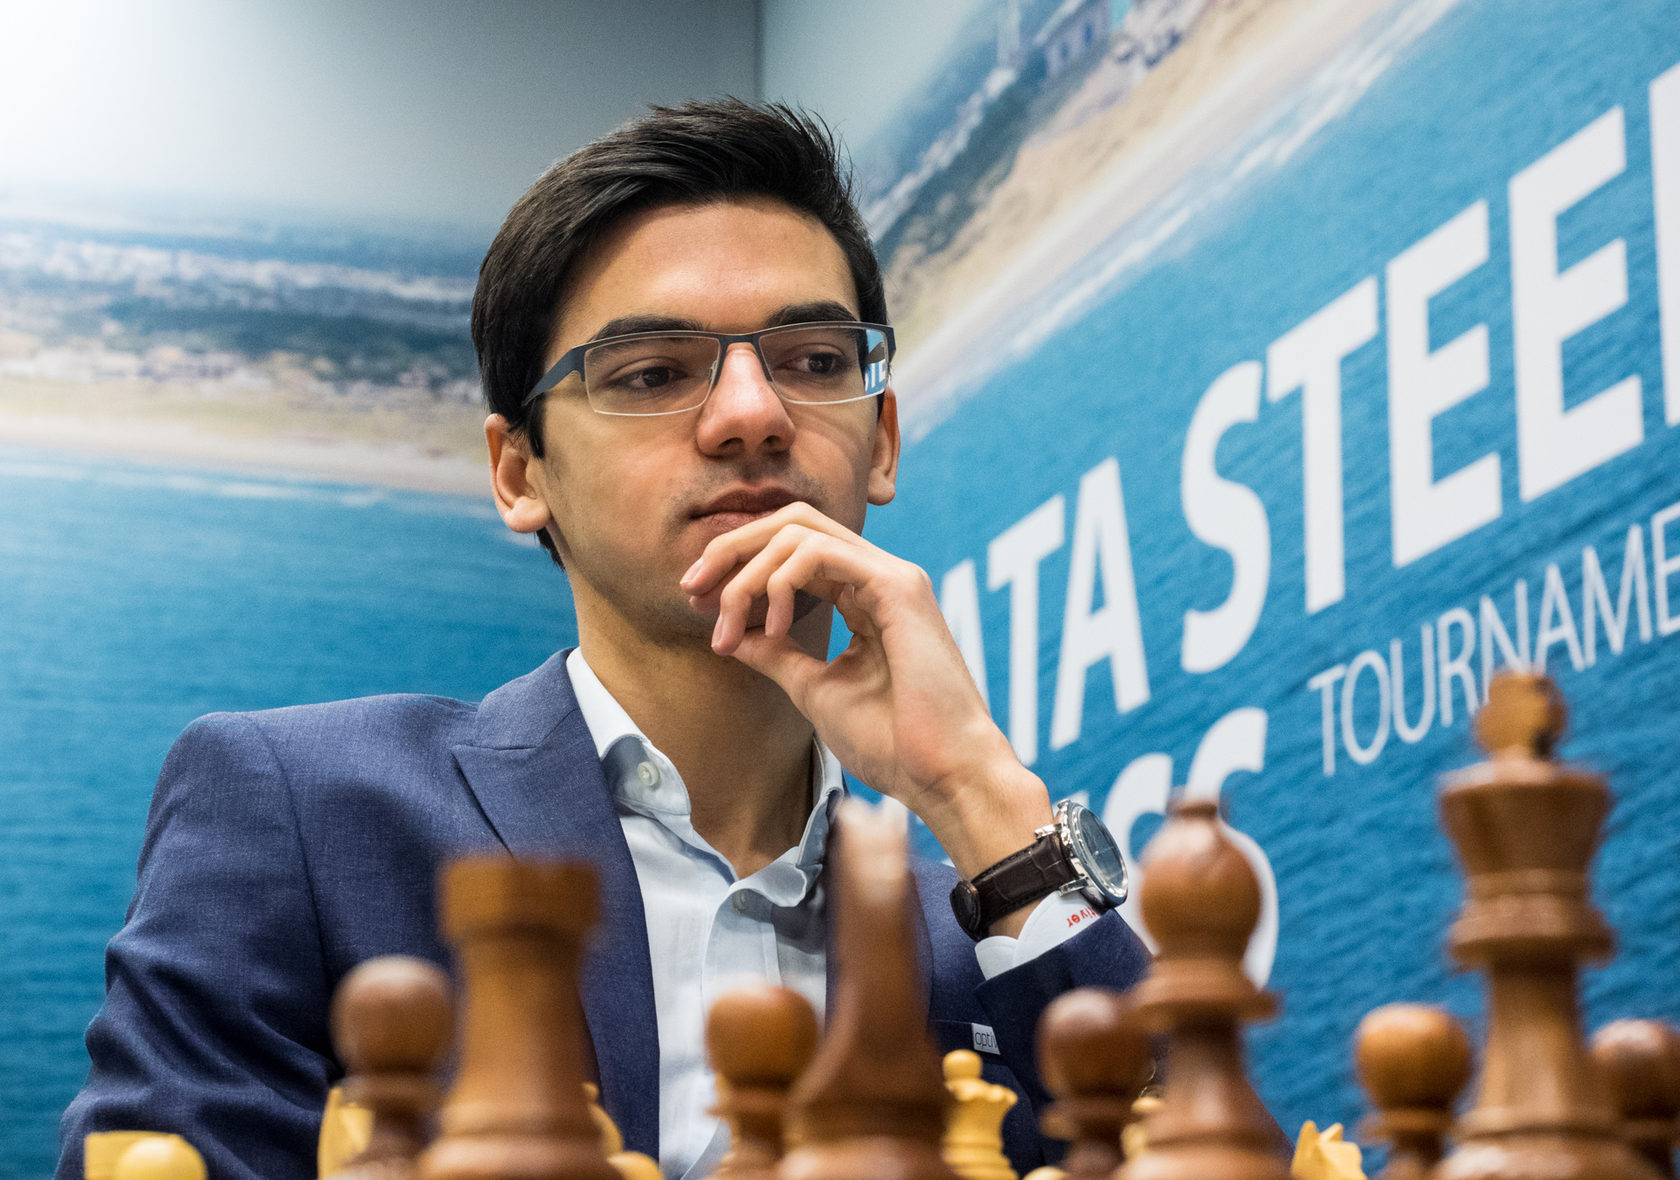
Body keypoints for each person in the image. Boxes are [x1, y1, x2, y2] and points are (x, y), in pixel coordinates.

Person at [57, 99, 1148, 1180]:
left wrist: (974, 792)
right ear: (520, 473)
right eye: (653, 374)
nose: (750, 414)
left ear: (883, 441)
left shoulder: (993, 935)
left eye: (813, 360)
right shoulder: (303, 811)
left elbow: (1188, 1141)